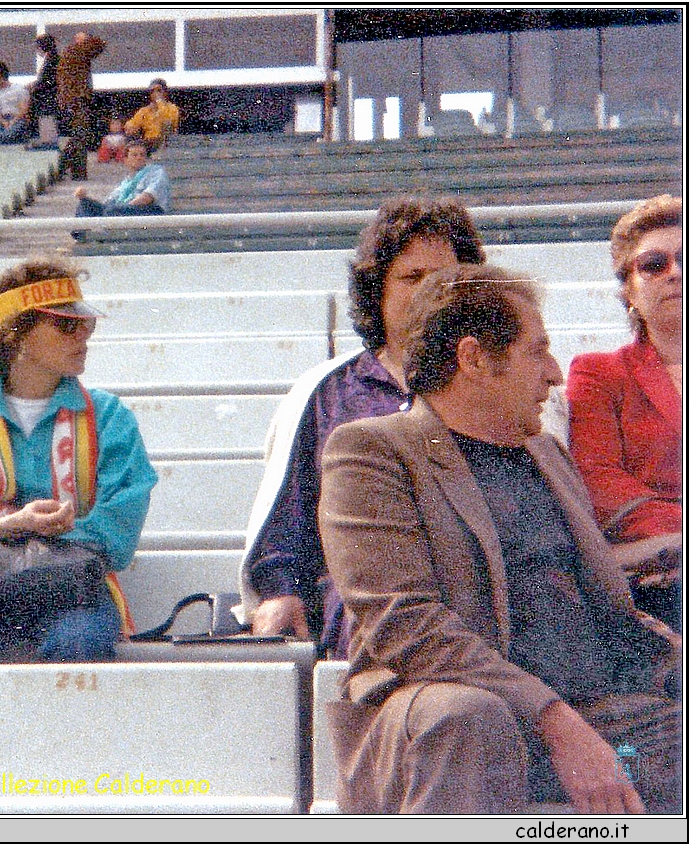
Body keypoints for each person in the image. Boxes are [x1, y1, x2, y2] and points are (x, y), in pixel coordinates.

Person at [318, 264, 681, 815]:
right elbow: (406, 625)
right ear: (474, 359)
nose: (556, 375)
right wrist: (552, 716)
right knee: (468, 719)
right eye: (537, 352)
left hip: (594, 704)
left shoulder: (547, 454)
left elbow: (605, 608)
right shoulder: (372, 452)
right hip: (458, 706)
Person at [239, 196, 485, 656]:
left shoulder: (497, 383)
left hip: (482, 591)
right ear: (379, 290)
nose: (430, 290)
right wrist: (280, 592)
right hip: (367, 602)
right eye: (412, 277)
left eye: (445, 278)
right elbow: (288, 524)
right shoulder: (327, 394)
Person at [0, 257, 158, 663]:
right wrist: (9, 525)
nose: (83, 338)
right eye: (66, 325)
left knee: (80, 641)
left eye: (86, 325)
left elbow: (119, 534)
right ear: (16, 333)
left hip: (73, 594)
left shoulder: (108, 417)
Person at [566, 194, 682, 629]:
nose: (675, 272)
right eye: (654, 264)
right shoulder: (599, 373)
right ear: (629, 289)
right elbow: (599, 480)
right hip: (651, 572)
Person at [73, 139, 170, 217]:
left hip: (148, 211)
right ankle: (81, 235)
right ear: (126, 160)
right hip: (123, 210)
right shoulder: (127, 182)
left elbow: (146, 198)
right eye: (134, 155)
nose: (139, 158)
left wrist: (122, 207)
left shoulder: (156, 171)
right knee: (85, 204)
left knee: (113, 210)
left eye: (142, 155)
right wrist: (84, 197)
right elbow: (108, 202)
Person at [56, 31, 105, 181]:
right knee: (80, 135)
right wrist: (86, 40)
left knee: (79, 136)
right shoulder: (75, 51)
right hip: (76, 100)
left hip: (74, 99)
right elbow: (99, 45)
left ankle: (72, 170)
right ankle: (65, 167)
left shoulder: (74, 53)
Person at [0, 60, 30, 145]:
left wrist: (13, 121)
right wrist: (3, 122)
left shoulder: (19, 89)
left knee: (14, 129)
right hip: (1, 120)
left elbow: (24, 109)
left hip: (17, 118)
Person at [124, 78, 180, 149]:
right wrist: (130, 128)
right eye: (152, 91)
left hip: (167, 142)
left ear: (165, 93)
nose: (155, 94)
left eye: (159, 91)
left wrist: (160, 102)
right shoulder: (145, 110)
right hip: (149, 143)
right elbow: (132, 125)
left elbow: (166, 121)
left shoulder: (172, 108)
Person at [28, 34, 61, 150]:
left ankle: (49, 144)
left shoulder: (52, 61)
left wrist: (35, 86)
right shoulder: (51, 59)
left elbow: (48, 81)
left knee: (47, 121)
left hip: (48, 100)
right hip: (47, 100)